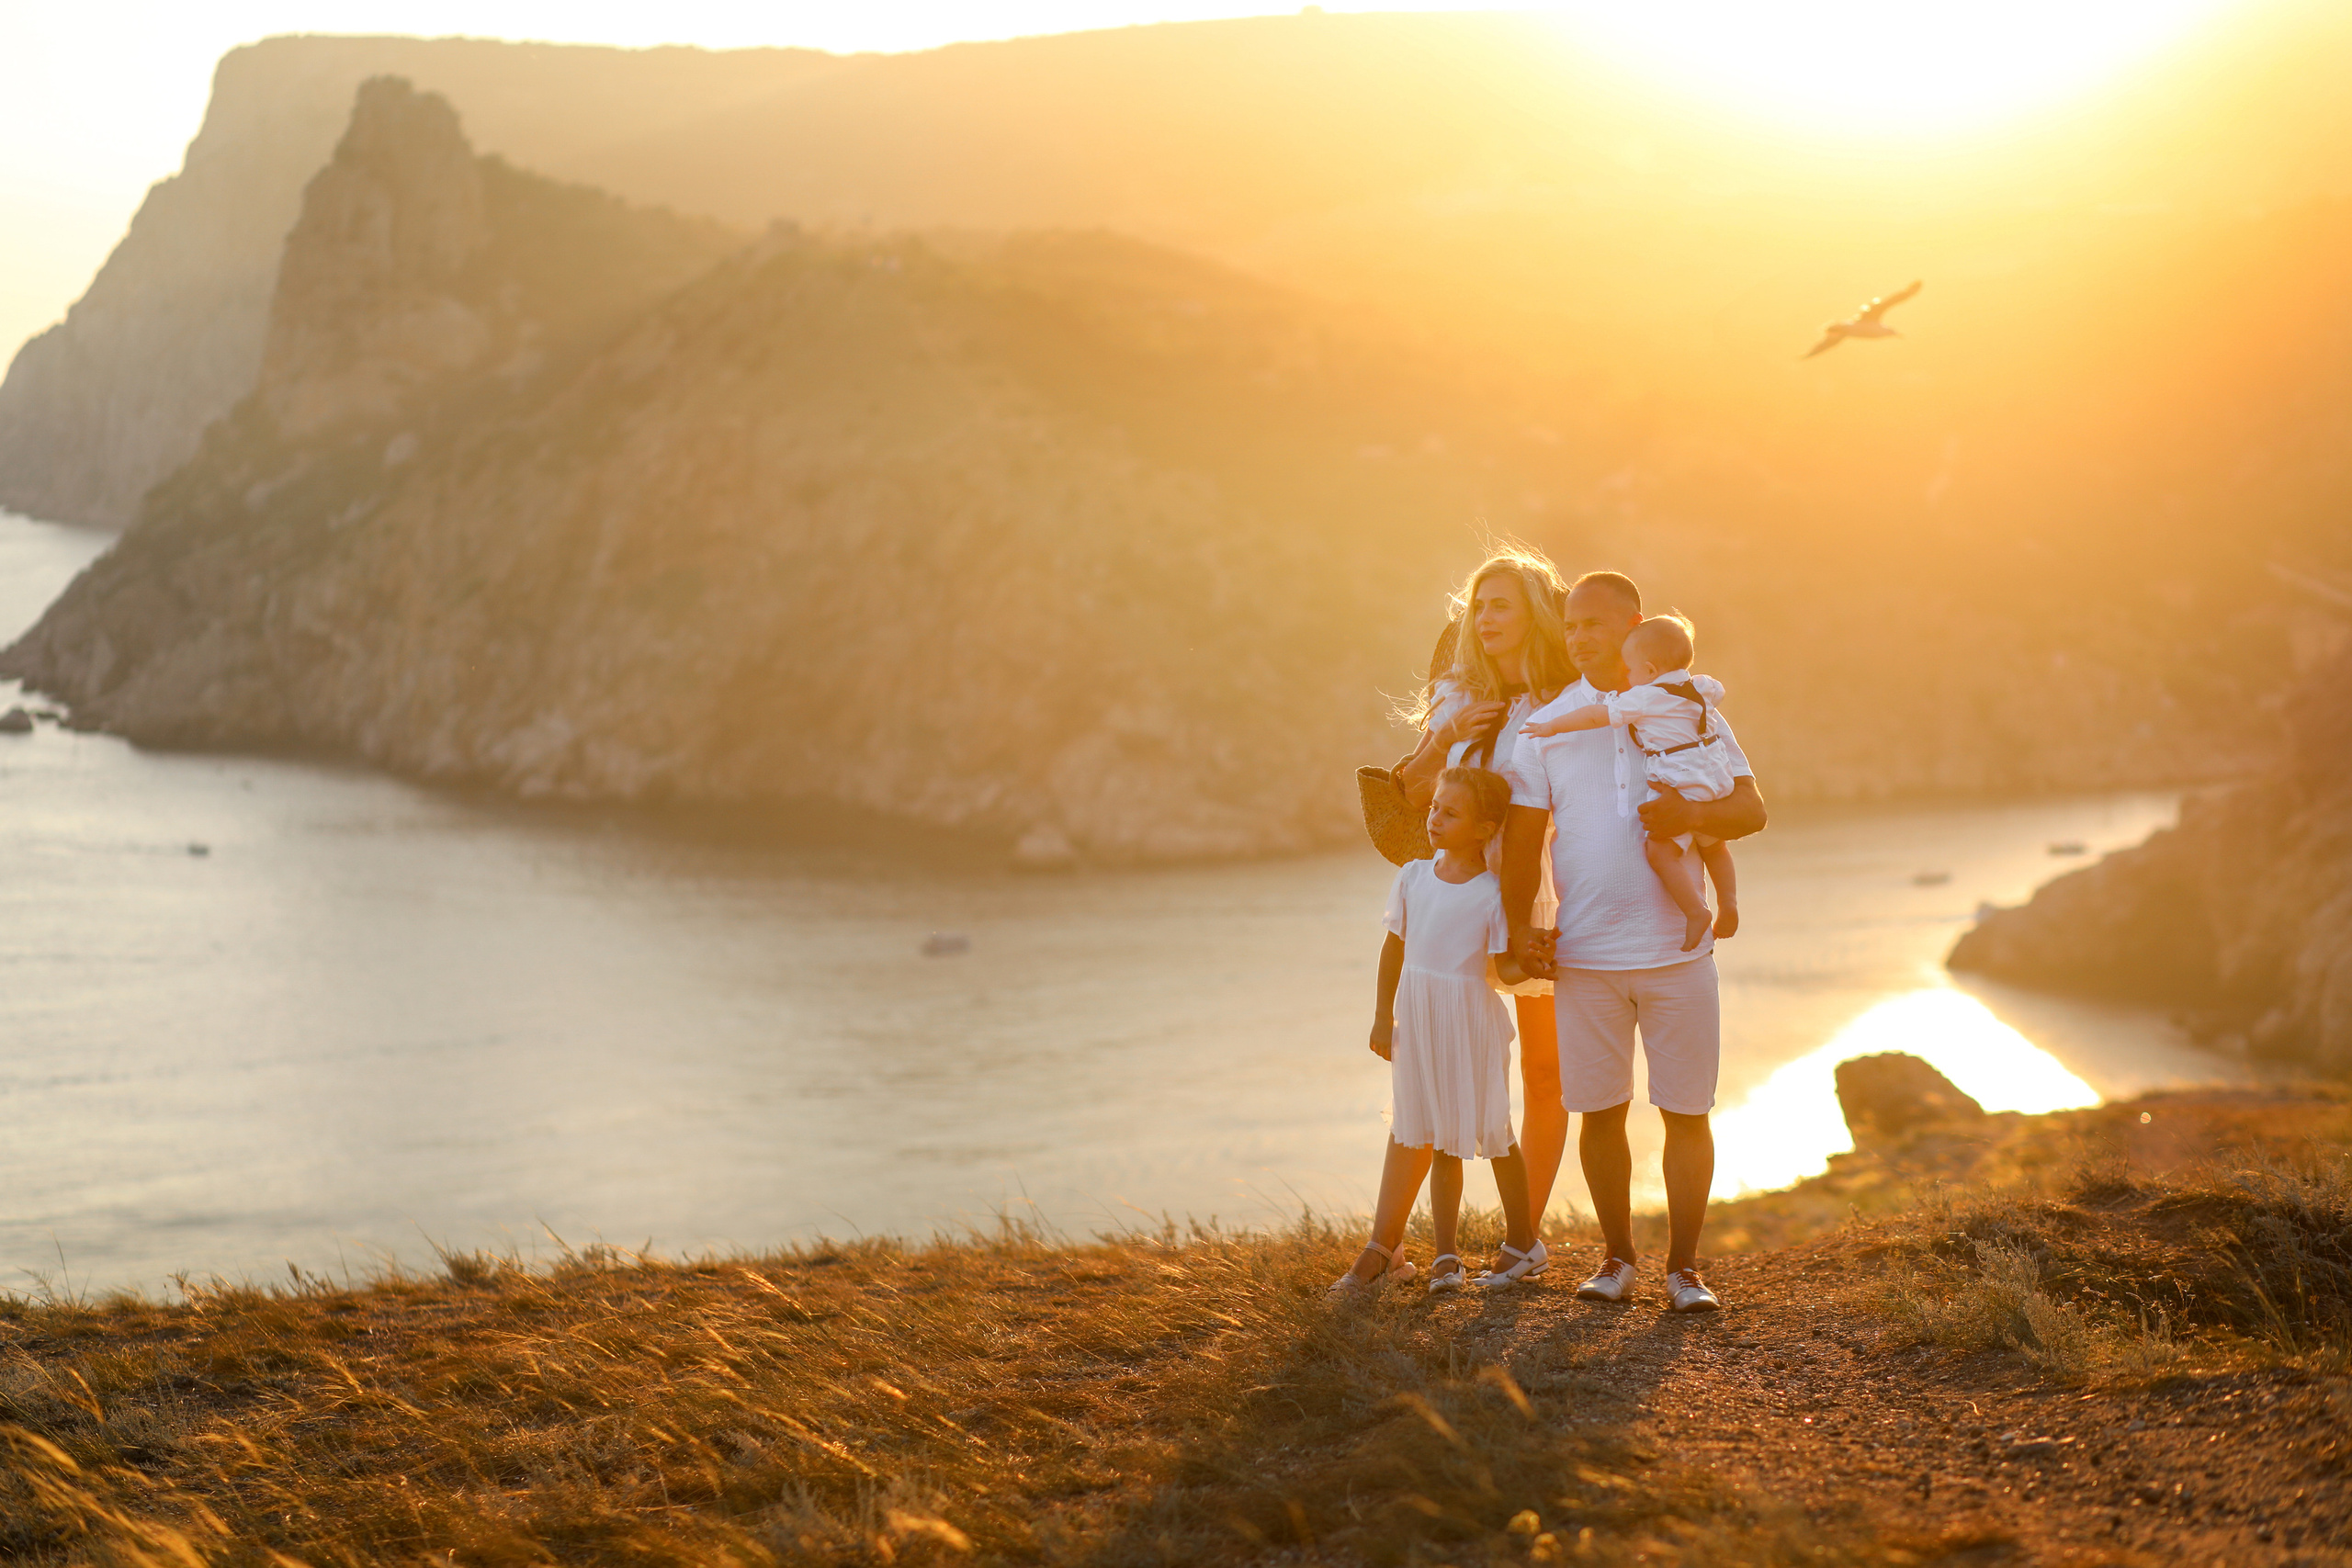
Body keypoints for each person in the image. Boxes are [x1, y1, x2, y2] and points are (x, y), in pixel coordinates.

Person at [1499, 571, 1769, 1314]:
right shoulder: (1547, 725)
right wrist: (1518, 931)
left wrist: (1690, 811)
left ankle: (1685, 1270)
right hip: (1585, 957)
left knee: (1687, 1112)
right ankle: (1616, 1260)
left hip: (1679, 955)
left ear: (1634, 626)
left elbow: (1751, 809)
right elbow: (1522, 842)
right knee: (1600, 1112)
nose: (1580, 636)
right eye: (1570, 625)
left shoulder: (1687, 705)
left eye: (1595, 623)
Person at [1380, 549, 1577, 1277]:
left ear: (1535, 614)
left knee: (1545, 1074)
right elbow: (1411, 792)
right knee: (1429, 1070)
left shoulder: (1565, 701)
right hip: (1453, 898)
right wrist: (1445, 732)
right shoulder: (1458, 690)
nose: (1485, 619)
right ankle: (1388, 1246)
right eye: (1478, 606)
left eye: (1501, 605)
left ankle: (1522, 1241)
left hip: (1536, 895)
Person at [1331, 768, 1543, 1296]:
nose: (1435, 818)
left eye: (1450, 813)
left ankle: (1526, 1241)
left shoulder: (1492, 893)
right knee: (1437, 1136)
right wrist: (1383, 1017)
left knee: (1497, 1132)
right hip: (1420, 1019)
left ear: (1484, 829)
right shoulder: (1412, 877)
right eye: (1434, 808)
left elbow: (1503, 966)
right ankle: (1446, 1257)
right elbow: (1393, 951)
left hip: (1469, 1022)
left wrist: (1536, 964)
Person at [1521, 613, 1739, 953]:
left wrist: (1552, 726)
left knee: (1660, 853)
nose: (1628, 677)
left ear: (1649, 671)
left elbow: (1595, 716)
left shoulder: (1646, 696)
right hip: (1714, 778)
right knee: (1715, 847)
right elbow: (1715, 695)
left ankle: (1696, 911)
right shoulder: (1701, 686)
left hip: (1681, 781)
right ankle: (1730, 903)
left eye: (1631, 670)